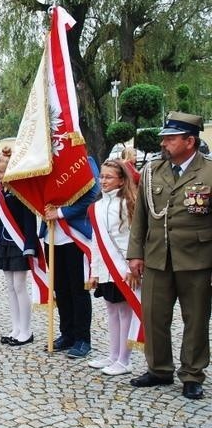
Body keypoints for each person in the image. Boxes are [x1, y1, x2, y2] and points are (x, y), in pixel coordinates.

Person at [127, 111, 212, 400]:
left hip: (197, 259)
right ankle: (159, 369)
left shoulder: (209, 171)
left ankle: (192, 374)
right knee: (154, 316)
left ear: (190, 141)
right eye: (164, 138)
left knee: (196, 318)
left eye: (171, 138)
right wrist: (135, 254)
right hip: (157, 257)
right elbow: (140, 217)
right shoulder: (153, 171)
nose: (164, 143)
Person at [0, 146, 38, 346]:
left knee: (20, 286)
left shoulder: (22, 191)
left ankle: (26, 331)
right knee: (10, 287)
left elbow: (29, 219)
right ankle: (16, 327)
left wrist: (30, 244)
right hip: (4, 241)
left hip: (20, 243)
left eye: (2, 172)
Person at [41, 159, 100, 358]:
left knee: (78, 289)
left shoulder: (83, 160)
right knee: (60, 289)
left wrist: (60, 212)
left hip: (74, 235)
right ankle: (67, 333)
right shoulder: (44, 162)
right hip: (51, 235)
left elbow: (92, 194)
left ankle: (83, 338)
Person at [87, 159, 137, 375]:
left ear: (121, 180)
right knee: (111, 310)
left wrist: (131, 267)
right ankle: (113, 354)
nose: (103, 181)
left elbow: (133, 238)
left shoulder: (128, 204)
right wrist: (94, 270)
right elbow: (95, 241)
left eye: (109, 177)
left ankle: (124, 360)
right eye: (102, 176)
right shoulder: (96, 207)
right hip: (106, 268)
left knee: (125, 312)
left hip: (123, 268)